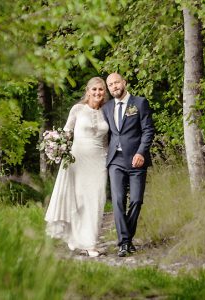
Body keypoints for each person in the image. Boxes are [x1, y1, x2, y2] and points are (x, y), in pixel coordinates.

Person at [44, 77, 109, 257]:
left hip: (99, 161)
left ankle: (91, 243)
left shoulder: (107, 112)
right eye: (94, 89)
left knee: (97, 199)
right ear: (88, 91)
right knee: (79, 200)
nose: (97, 93)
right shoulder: (78, 110)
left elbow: (107, 141)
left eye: (101, 90)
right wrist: (56, 147)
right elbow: (66, 133)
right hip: (77, 159)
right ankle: (76, 238)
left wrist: (108, 159)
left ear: (105, 93)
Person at [102, 73, 154, 257]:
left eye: (116, 82)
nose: (114, 86)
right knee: (117, 200)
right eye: (110, 85)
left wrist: (141, 152)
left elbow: (148, 130)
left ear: (124, 82)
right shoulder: (107, 108)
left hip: (136, 160)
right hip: (115, 160)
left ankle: (127, 238)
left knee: (136, 200)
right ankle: (124, 242)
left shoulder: (139, 103)